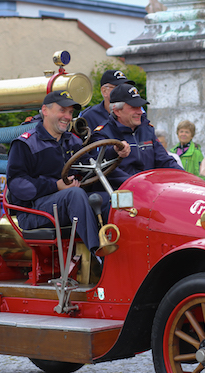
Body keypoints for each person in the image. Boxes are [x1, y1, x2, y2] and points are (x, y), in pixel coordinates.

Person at [7, 90, 130, 255]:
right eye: (62, 110)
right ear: (45, 110)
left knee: (112, 199)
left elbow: (92, 163)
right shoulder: (26, 143)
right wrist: (55, 186)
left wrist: (115, 152)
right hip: (34, 212)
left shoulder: (73, 141)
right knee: (75, 194)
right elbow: (17, 184)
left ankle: (124, 252)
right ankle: (97, 253)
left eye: (70, 112)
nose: (67, 116)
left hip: (66, 205)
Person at [91, 83, 182, 176]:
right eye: (134, 107)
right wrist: (114, 151)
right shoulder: (103, 134)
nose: (140, 112)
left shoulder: (147, 129)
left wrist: (188, 178)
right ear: (117, 111)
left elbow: (165, 160)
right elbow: (103, 168)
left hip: (150, 186)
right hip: (121, 189)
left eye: (140, 106)